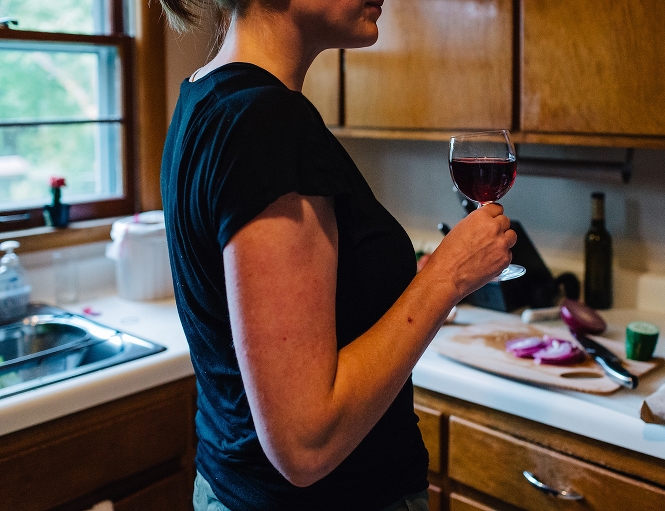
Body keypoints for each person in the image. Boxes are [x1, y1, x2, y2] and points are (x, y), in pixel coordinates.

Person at [158, 0, 518, 509]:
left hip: (232, 488)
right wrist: (447, 277)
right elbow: (306, 443)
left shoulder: (209, 96)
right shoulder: (266, 123)